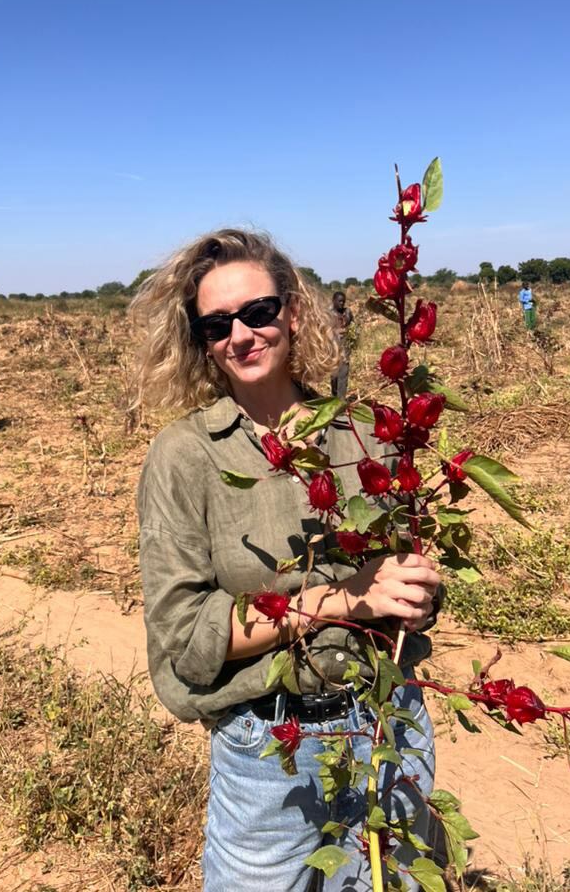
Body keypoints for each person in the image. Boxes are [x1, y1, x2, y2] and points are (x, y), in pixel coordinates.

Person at [132, 229, 441, 891]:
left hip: (389, 723)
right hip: (272, 752)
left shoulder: (365, 434)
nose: (240, 335)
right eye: (217, 324)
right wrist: (341, 598)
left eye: (258, 312)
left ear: (293, 313)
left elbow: (406, 573)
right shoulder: (187, 456)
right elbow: (186, 636)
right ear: (202, 341)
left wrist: (417, 589)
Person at [330, 289, 355, 397]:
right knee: (334, 375)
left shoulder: (348, 312)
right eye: (339, 301)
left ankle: (341, 400)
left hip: (345, 347)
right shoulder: (329, 314)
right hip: (333, 347)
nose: (342, 303)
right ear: (334, 301)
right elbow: (324, 329)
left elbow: (352, 326)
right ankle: (334, 396)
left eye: (343, 301)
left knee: (344, 373)